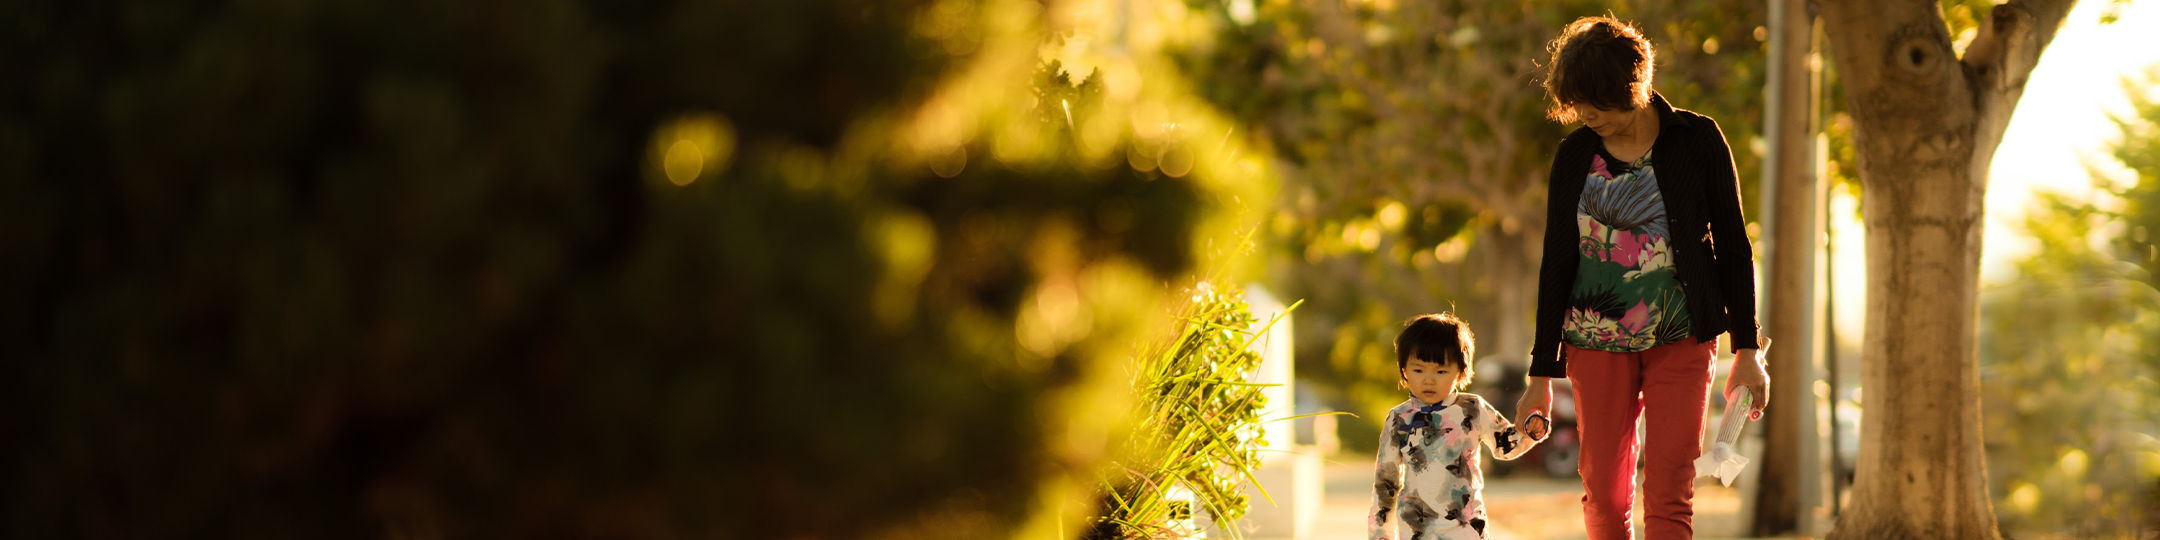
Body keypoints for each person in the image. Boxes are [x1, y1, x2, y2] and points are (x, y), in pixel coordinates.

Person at [1511, 16, 1772, 540]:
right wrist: (1540, 374)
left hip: (1683, 336)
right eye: (1576, 103)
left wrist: (1746, 350)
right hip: (1594, 340)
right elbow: (1557, 259)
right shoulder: (1574, 156)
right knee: (1605, 495)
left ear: (1634, 87)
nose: (1585, 115)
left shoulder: (1697, 139)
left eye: (1597, 103)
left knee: (1671, 488)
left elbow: (1734, 243)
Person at [1368, 314, 1547, 540]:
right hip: (1417, 530)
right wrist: (1380, 534)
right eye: (1418, 370)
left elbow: (1505, 447)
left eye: (1441, 371)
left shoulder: (1472, 409)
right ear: (1404, 369)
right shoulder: (1399, 419)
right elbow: (1386, 482)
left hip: (1467, 527)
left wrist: (1531, 431)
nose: (1429, 379)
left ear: (1460, 371)